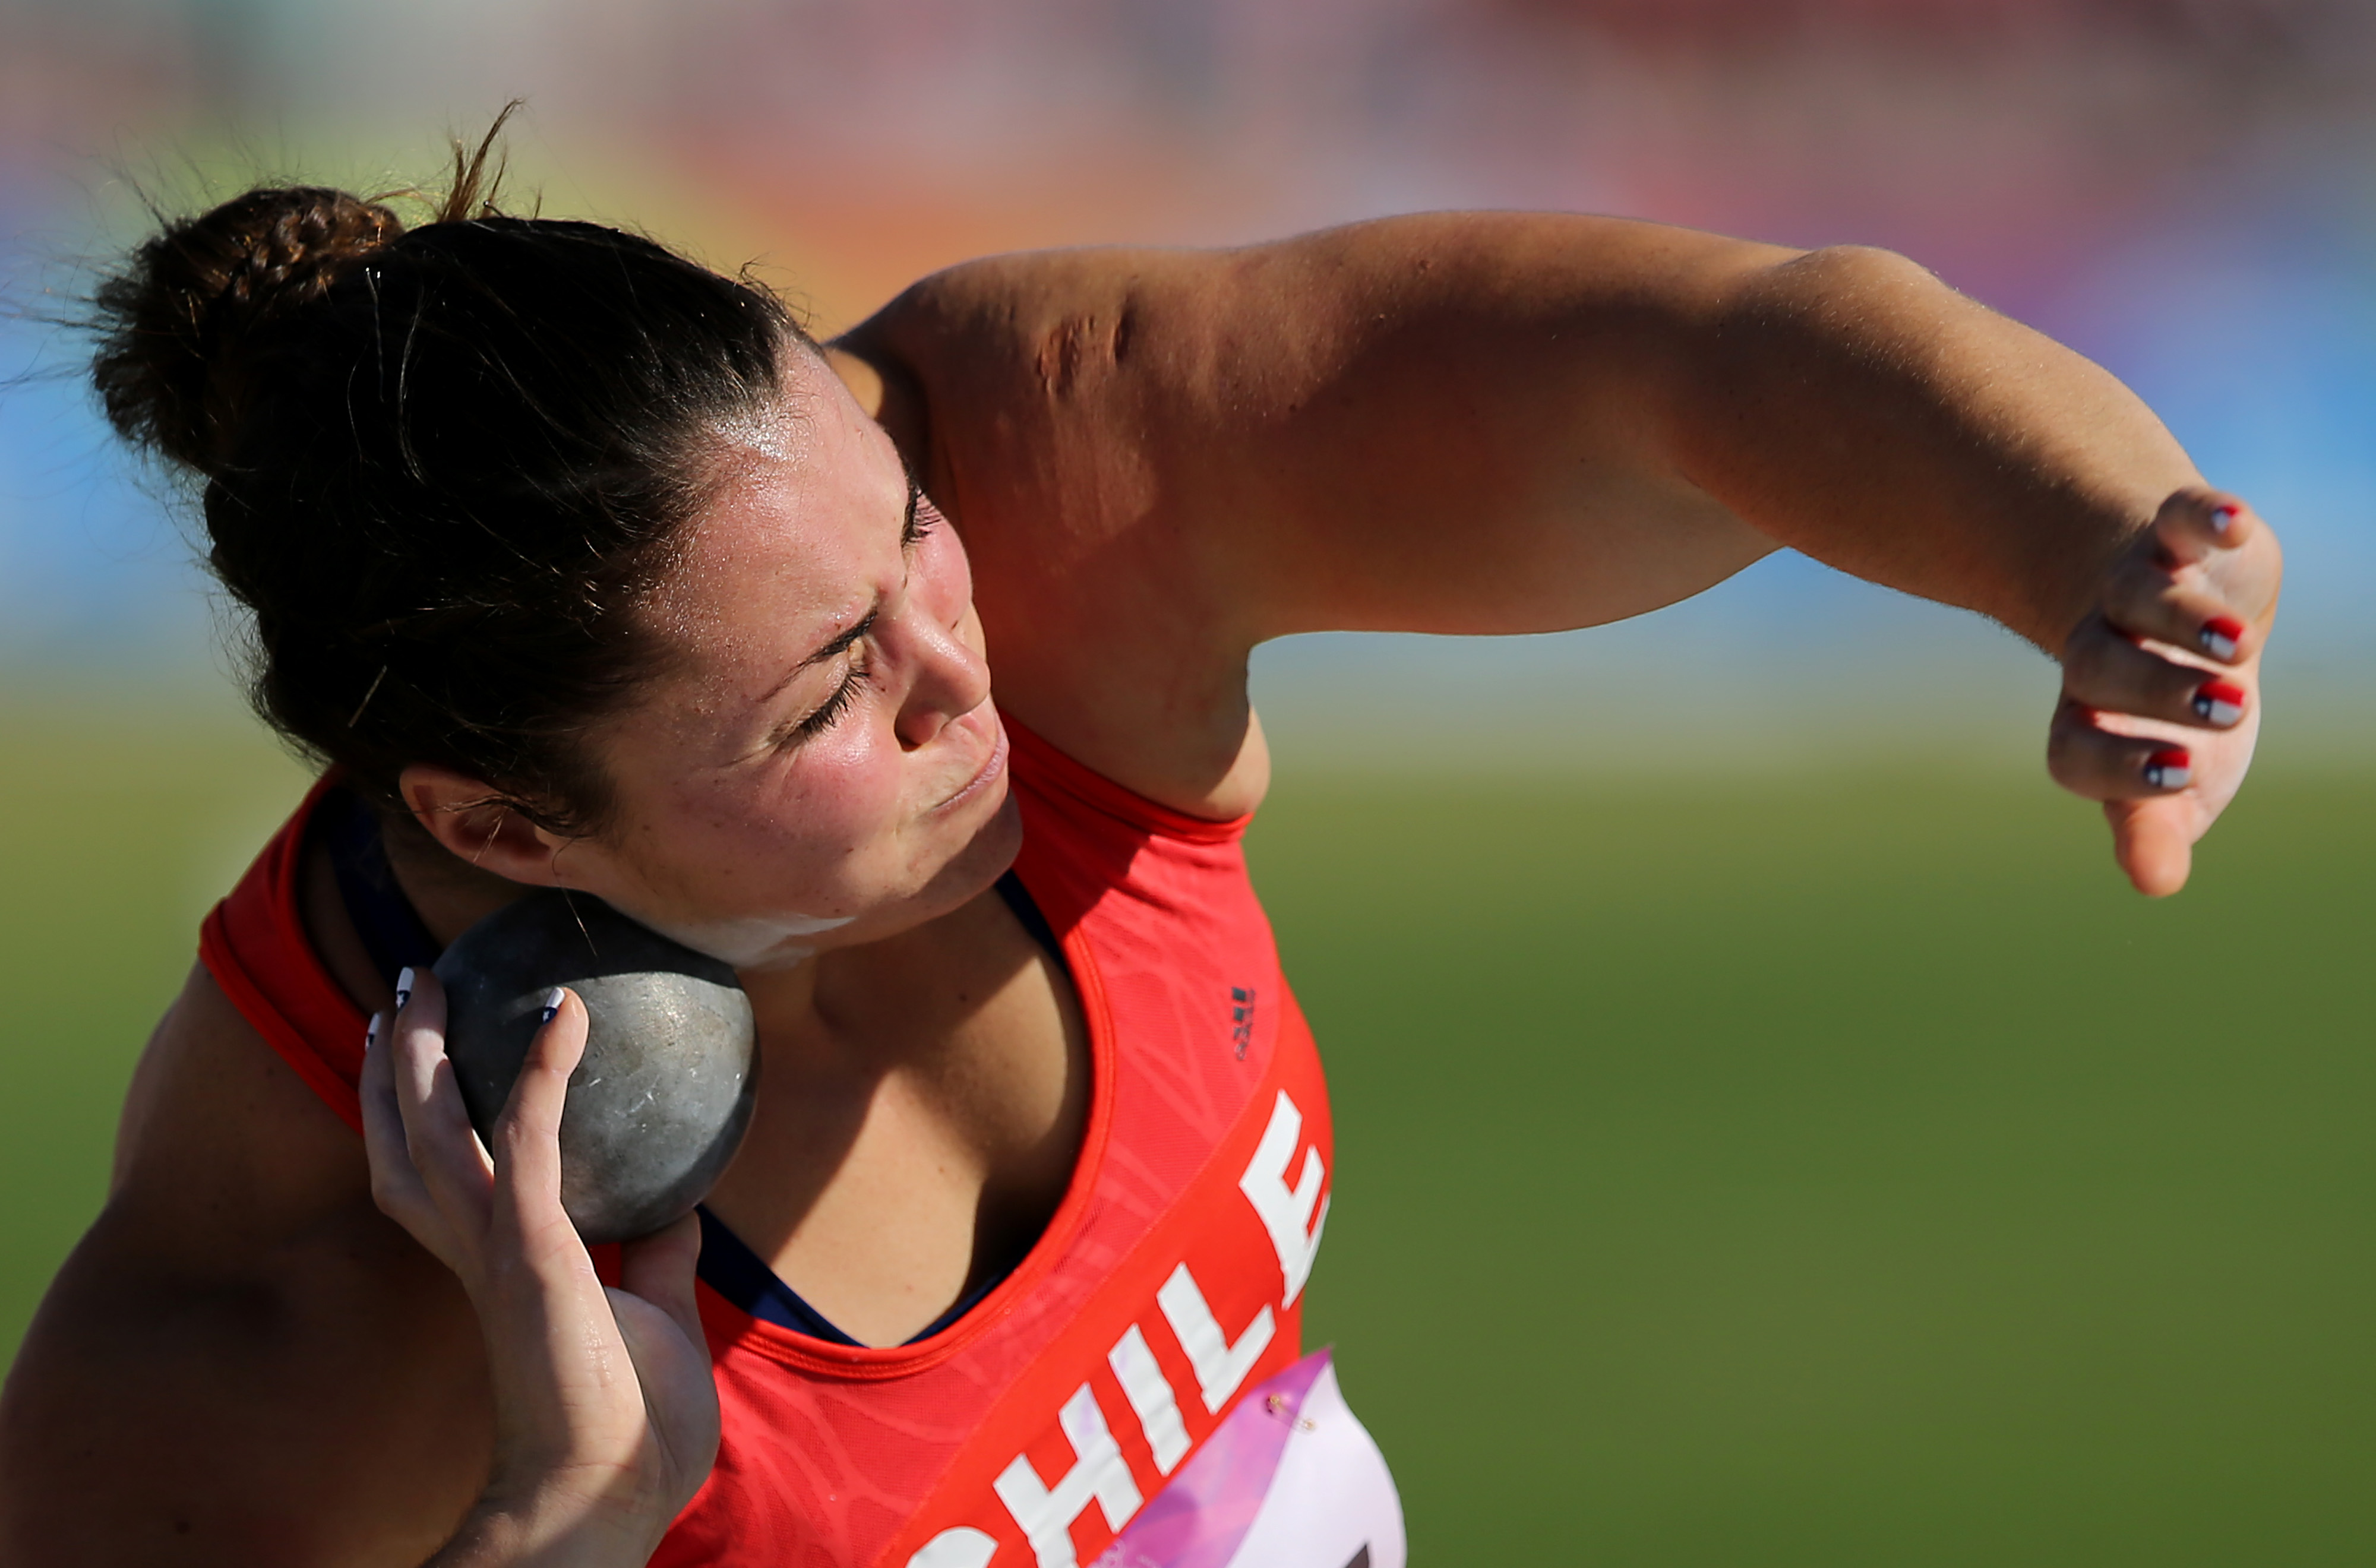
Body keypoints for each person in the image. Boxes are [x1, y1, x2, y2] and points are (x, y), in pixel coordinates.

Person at [0, 118, 2280, 1567]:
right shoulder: (287, 1317)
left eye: (905, 547)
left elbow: (1701, 369)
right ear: (499, 822)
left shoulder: (1042, 479)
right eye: (825, 698)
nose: (956, 666)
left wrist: (2093, 554)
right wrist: (572, 1526)